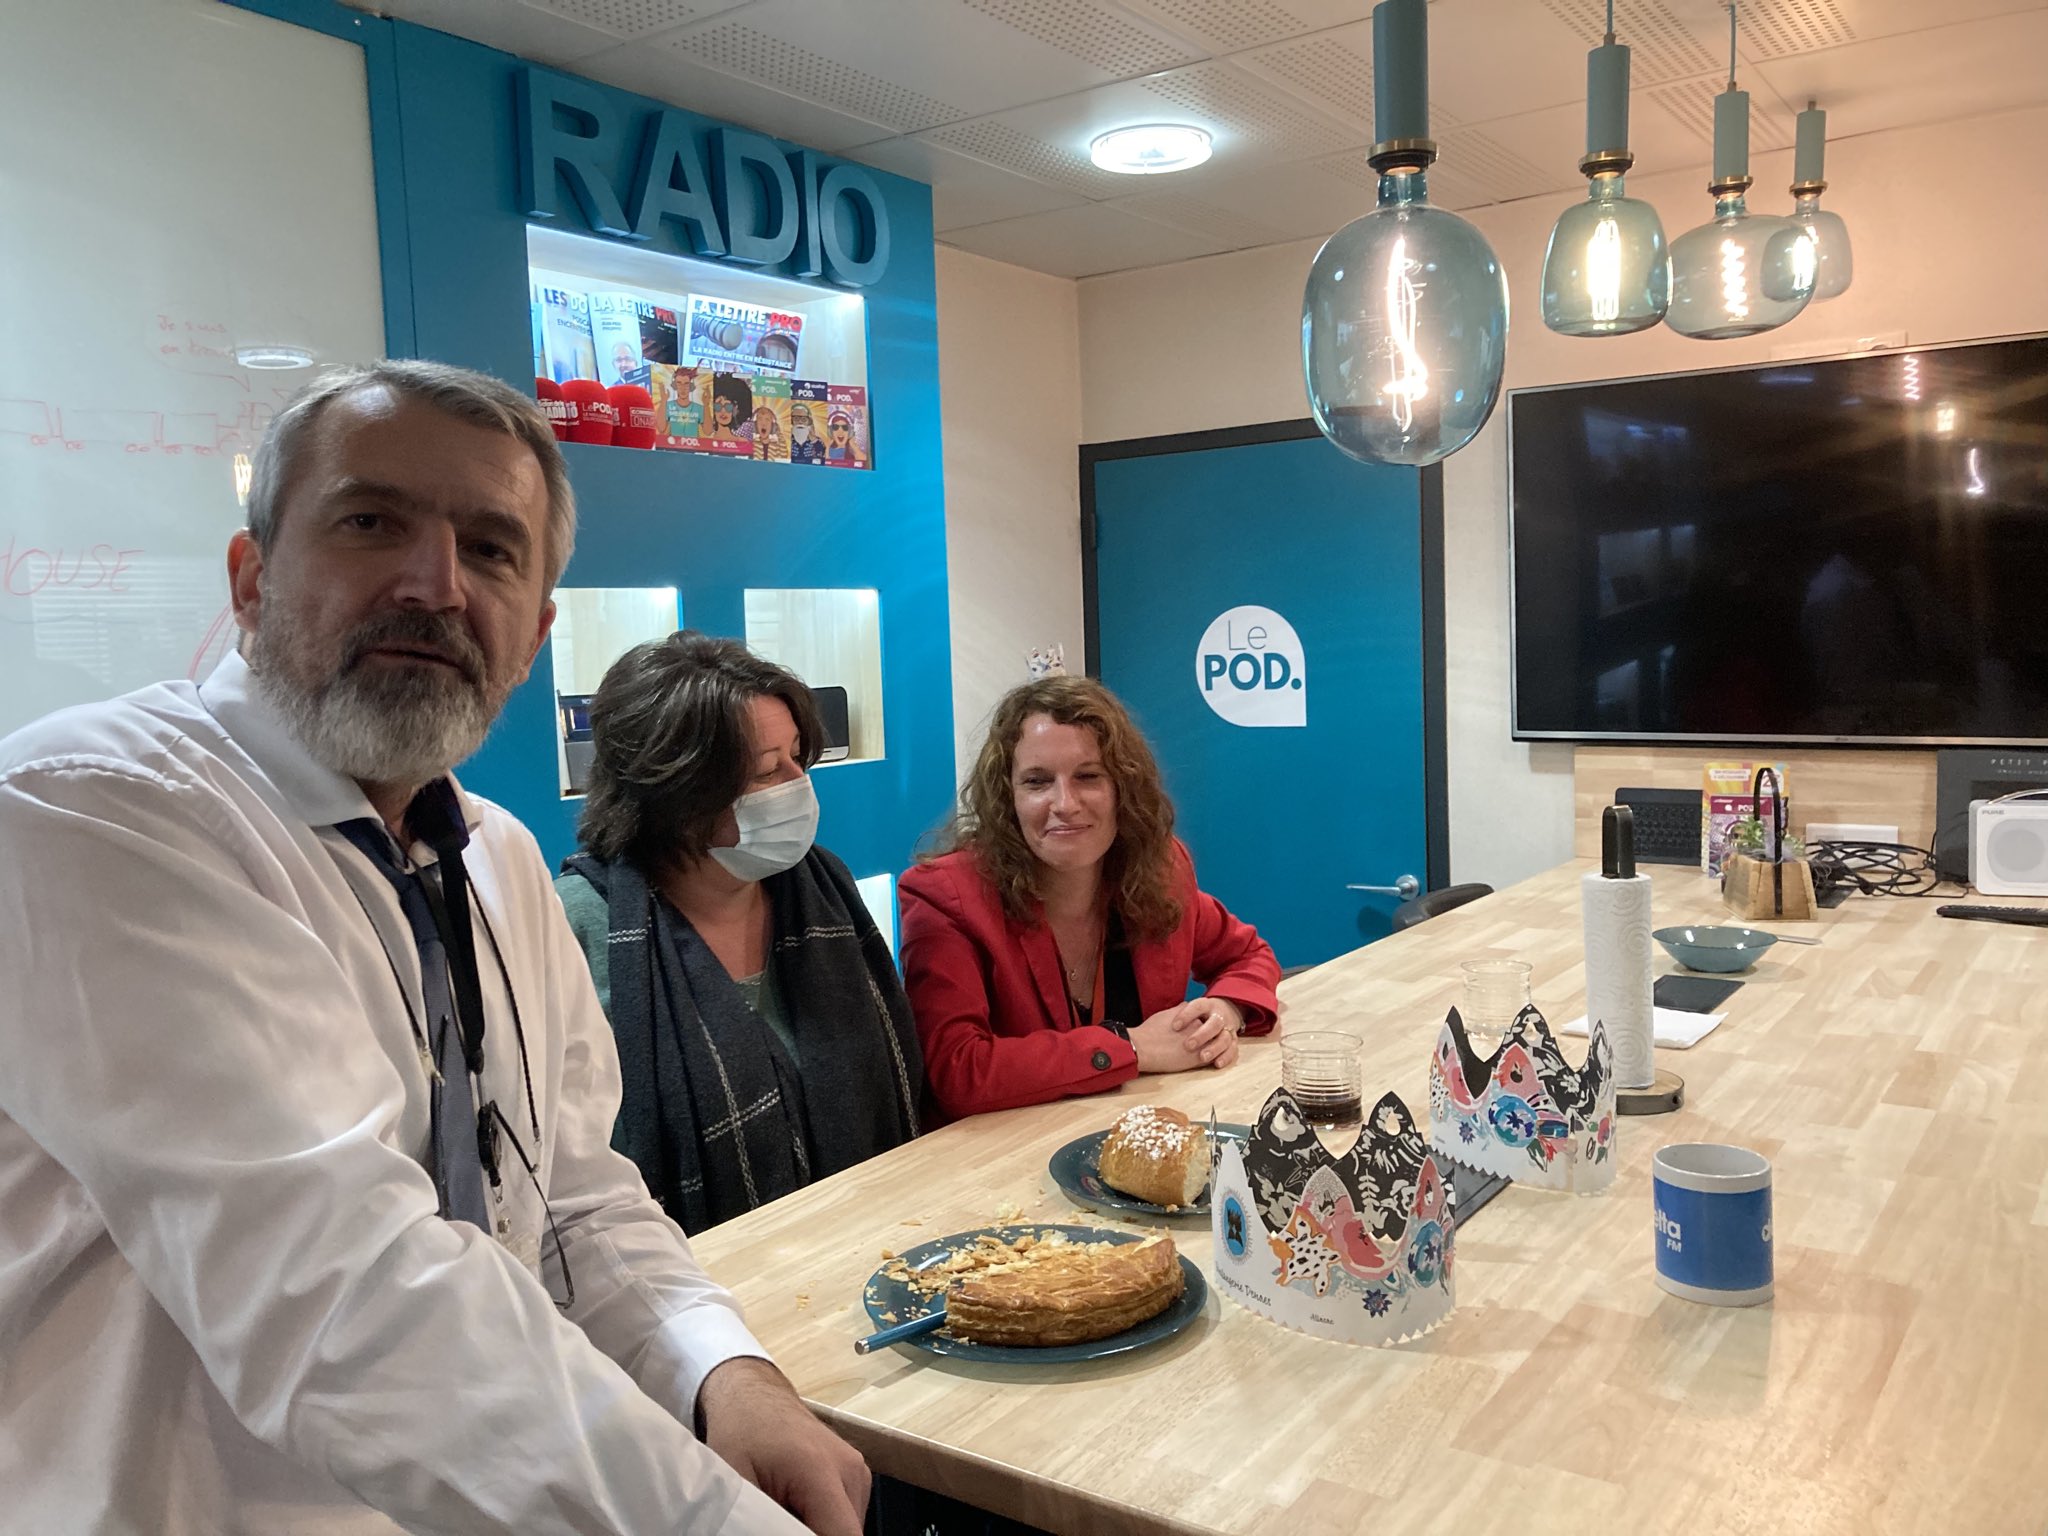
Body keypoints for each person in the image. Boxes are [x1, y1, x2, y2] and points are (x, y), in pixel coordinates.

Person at [0, 360, 866, 1535]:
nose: (436, 585)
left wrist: (723, 1375)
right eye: (371, 522)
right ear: (251, 580)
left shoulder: (498, 861)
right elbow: (343, 1294)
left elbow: (568, 1193)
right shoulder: (95, 810)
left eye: (493, 550)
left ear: (536, 634)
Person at [554, 632, 921, 1235]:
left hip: (871, 1247)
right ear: (674, 793)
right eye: (764, 771)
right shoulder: (579, 929)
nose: (797, 784)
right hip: (686, 1290)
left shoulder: (820, 885)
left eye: (798, 757)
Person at [899, 676, 1280, 1120]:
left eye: (1088, 776)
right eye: (1038, 781)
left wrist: (1226, 1011)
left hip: (1137, 1141)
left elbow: (1249, 955)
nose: (1065, 803)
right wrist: (1132, 1047)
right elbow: (957, 1072)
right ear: (1008, 798)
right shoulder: (945, 896)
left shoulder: (1161, 870)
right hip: (997, 1162)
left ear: (1124, 788)